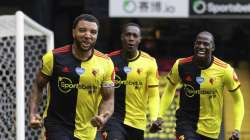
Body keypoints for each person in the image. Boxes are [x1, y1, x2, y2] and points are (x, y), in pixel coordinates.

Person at [29, 14, 115, 140]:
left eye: (93, 32)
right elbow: (38, 85)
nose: (87, 35)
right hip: (57, 125)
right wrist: (33, 113)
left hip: (87, 130)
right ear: (73, 32)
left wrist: (103, 116)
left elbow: (108, 98)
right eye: (82, 30)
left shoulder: (106, 63)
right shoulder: (53, 57)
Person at [152, 31, 244, 140]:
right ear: (194, 45)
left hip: (211, 128)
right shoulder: (181, 65)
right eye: (198, 43)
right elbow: (169, 90)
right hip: (185, 123)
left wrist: (237, 129)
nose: (201, 46)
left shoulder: (225, 70)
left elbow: (238, 100)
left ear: (213, 47)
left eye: (206, 44)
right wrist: (160, 115)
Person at [101, 23, 160, 140]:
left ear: (139, 39)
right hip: (113, 119)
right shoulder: (108, 60)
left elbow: (153, 95)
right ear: (122, 37)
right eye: (128, 35)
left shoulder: (149, 62)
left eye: (134, 35)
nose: (131, 39)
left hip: (137, 122)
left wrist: (154, 118)